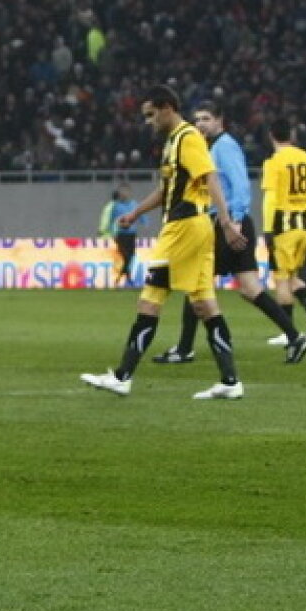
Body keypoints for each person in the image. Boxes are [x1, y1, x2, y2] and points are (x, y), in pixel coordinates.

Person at [81, 85, 247, 400]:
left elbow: (210, 176)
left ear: (167, 107)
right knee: (203, 303)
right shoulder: (173, 142)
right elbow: (166, 191)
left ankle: (122, 376)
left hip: (184, 229)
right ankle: (230, 381)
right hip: (190, 227)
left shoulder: (188, 138)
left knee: (151, 298)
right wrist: (135, 213)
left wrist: (226, 221)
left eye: (151, 114)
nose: (148, 121)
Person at [153, 101, 306, 364]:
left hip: (225, 224)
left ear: (219, 121)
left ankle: (184, 348)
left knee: (195, 281)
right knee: (250, 288)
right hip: (230, 222)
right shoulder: (210, 146)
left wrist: (233, 221)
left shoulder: (225, 146)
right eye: (197, 119)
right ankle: (295, 337)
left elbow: (240, 185)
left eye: (206, 118)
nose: (200, 123)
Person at [262, 118, 306, 347]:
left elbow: (270, 199)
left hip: (284, 228)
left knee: (280, 279)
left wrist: (268, 230)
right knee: (291, 276)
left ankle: (288, 333)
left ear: (271, 136)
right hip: (304, 226)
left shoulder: (274, 162)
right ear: (293, 135)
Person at [99, 184, 143, 287]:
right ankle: (121, 279)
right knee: (126, 256)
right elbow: (112, 221)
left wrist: (142, 222)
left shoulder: (134, 204)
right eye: (122, 192)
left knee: (130, 256)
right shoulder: (115, 206)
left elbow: (140, 216)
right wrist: (111, 232)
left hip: (131, 234)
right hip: (121, 235)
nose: (124, 194)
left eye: (126, 192)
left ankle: (123, 279)